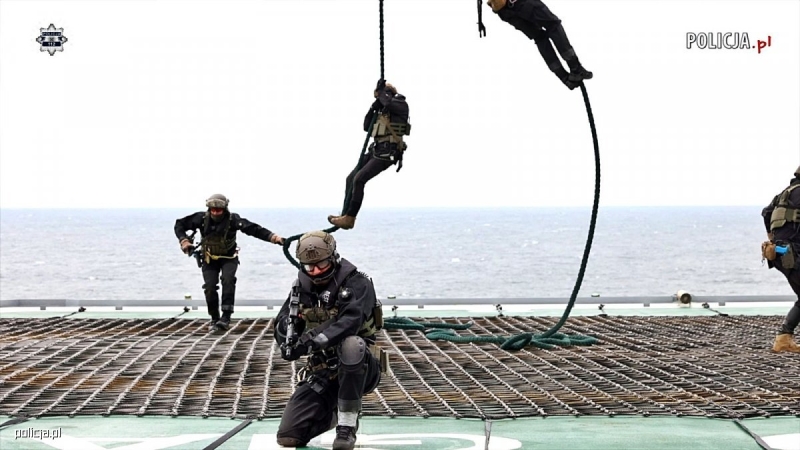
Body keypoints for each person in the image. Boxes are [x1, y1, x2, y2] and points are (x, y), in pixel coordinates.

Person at [274, 231, 385, 450]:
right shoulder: (301, 287)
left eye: (320, 265)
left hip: (360, 367)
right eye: (309, 267)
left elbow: (349, 323)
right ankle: (335, 411)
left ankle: (347, 426)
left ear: (333, 257)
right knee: (288, 436)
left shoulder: (357, 283)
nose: (314, 271)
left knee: (351, 345)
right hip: (324, 369)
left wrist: (310, 341)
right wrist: (288, 337)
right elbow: (282, 319)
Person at [174, 194, 285, 331]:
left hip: (229, 258)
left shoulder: (233, 220)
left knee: (228, 280)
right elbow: (179, 224)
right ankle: (214, 318)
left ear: (225, 209)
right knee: (209, 287)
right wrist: (184, 241)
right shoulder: (201, 218)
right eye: (212, 209)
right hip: (209, 258)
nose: (215, 212)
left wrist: (274, 238)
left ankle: (226, 317)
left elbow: (254, 229)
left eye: (218, 210)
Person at [328, 79, 411, 230]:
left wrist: (382, 95)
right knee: (351, 178)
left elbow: (387, 102)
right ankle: (345, 215)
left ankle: (350, 218)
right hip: (376, 150)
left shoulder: (400, 104)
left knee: (360, 179)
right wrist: (374, 107)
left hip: (388, 152)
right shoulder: (383, 109)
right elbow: (367, 126)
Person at [486, 0, 592, 90]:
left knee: (540, 38)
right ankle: (576, 69)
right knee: (553, 26)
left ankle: (564, 78)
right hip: (521, 3)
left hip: (505, 12)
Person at [761, 166, 800, 352]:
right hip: (793, 253)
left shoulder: (784, 194)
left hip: (779, 253)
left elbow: (766, 213)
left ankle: (784, 339)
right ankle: (783, 339)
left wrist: (773, 239)